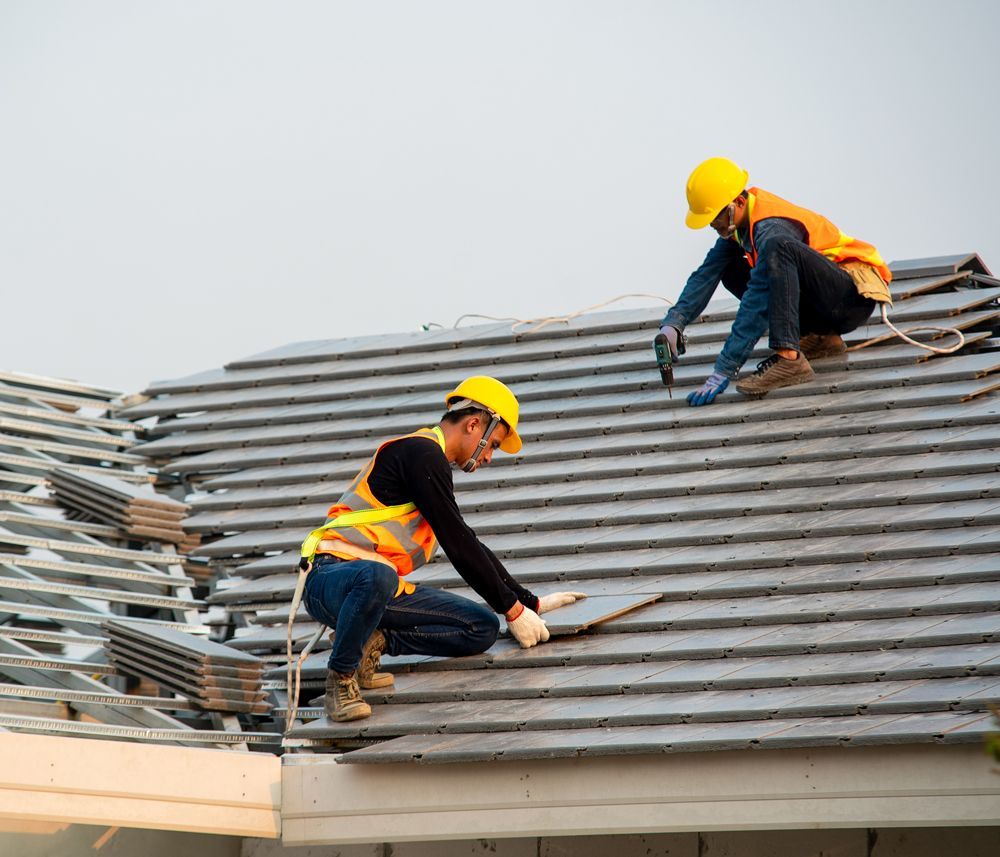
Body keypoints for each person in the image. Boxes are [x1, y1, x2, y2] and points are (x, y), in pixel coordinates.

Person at [298, 376, 586, 722]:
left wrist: (528, 603)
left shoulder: (431, 464)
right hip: (330, 580)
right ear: (473, 424)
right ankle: (341, 679)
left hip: (375, 591)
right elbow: (458, 544)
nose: (489, 457)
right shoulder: (421, 454)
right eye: (493, 445)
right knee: (378, 575)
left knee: (480, 627)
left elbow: (466, 539)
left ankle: (373, 643)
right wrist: (512, 611)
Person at [659, 157, 893, 405]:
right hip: (826, 304)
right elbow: (705, 275)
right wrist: (674, 324)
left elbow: (757, 298)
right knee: (728, 266)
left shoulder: (771, 228)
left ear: (738, 203)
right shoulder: (741, 227)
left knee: (777, 250)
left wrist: (724, 368)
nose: (713, 224)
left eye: (716, 216)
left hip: (852, 297)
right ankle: (821, 338)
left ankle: (789, 359)